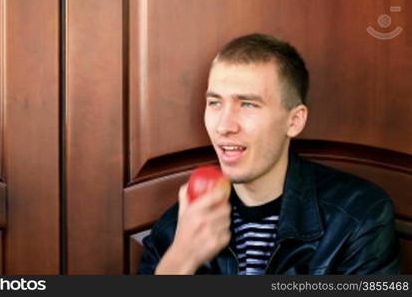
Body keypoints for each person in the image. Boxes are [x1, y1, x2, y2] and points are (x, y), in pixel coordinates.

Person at [138, 33, 400, 275]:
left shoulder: (359, 216)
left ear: (294, 121)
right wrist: (180, 261)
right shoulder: (174, 230)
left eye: (248, 104)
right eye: (215, 102)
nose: (224, 126)